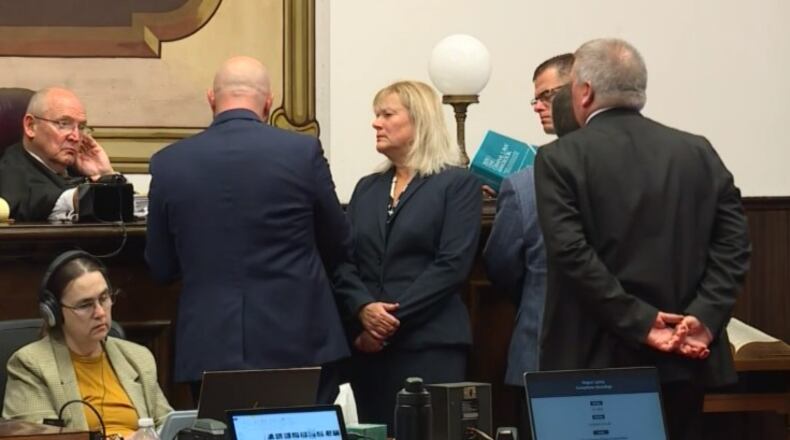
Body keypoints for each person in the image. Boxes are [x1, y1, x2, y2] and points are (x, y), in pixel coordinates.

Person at [534, 38, 751, 440]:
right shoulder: (697, 151)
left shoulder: (559, 158)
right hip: (686, 357)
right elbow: (734, 244)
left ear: (584, 92)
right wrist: (704, 318)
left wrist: (642, 321)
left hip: (593, 359)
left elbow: (571, 253)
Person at [144, 56, 353, 404]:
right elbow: (340, 241)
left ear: (211, 98)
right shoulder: (301, 151)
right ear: (268, 103)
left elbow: (161, 267)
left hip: (211, 344)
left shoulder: (169, 162)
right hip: (301, 339)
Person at [338, 80, 481, 432]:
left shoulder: (457, 184)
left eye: (387, 114)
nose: (376, 123)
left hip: (429, 344)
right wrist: (362, 310)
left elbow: (452, 264)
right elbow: (343, 261)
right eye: (376, 115)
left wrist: (387, 322)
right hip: (367, 349)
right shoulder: (366, 188)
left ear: (419, 121)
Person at [482, 53, 573, 439]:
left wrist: (533, 292)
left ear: (582, 92)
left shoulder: (524, 182)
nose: (537, 106)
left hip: (540, 347)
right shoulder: (521, 180)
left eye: (547, 95)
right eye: (534, 98)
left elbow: (501, 266)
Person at [2, 251, 172, 438]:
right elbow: (38, 437)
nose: (100, 312)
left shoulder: (138, 358)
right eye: (85, 305)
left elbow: (168, 425)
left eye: (104, 298)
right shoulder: (31, 365)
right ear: (55, 313)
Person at [0, 87, 117, 222]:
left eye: (81, 127)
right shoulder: (9, 170)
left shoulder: (76, 168)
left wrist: (105, 174)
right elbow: (38, 200)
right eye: (63, 124)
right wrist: (84, 197)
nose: (76, 136)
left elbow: (138, 209)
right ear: (31, 126)